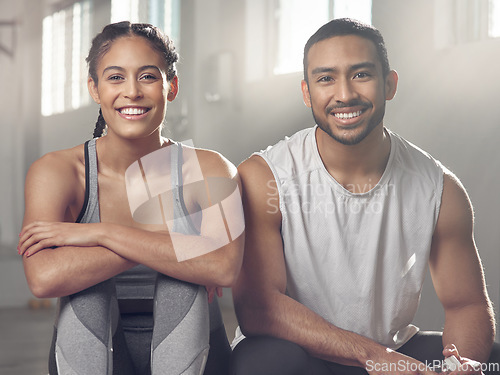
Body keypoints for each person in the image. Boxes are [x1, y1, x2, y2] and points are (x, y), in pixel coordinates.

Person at [230, 18, 499, 375]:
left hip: (391, 351)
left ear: (389, 84)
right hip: (300, 353)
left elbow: (466, 305)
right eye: (326, 78)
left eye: (361, 75)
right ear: (307, 92)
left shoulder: (440, 188)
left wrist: (460, 365)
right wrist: (375, 356)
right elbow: (259, 308)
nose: (344, 94)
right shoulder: (264, 177)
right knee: (264, 365)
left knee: (488, 358)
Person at [18, 21, 244, 375]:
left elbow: (223, 267)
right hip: (92, 350)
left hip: (197, 352)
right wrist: (181, 249)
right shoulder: (59, 171)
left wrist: (100, 233)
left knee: (179, 284)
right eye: (115, 77)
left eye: (149, 77)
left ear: (172, 87)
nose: (132, 92)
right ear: (94, 88)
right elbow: (44, 279)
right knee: (88, 291)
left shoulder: (209, 168)